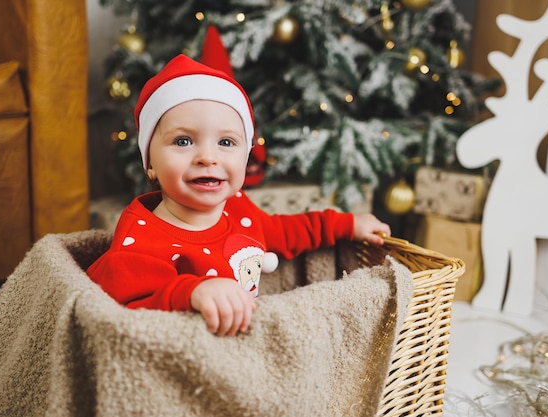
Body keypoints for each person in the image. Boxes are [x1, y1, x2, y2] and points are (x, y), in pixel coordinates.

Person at [87, 53, 391, 337]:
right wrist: (191, 292)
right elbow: (121, 317)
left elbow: (285, 231)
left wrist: (346, 224)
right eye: (183, 141)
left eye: (227, 143)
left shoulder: (238, 209)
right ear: (150, 164)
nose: (207, 157)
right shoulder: (139, 241)